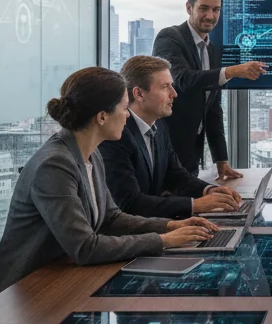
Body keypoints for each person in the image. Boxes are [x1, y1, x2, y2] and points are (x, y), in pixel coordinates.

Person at [0, 67, 221, 296]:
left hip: (61, 278)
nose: (128, 115)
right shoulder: (54, 165)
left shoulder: (90, 153)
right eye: (125, 108)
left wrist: (170, 226)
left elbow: (111, 217)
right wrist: (161, 241)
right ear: (102, 117)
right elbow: (84, 248)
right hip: (21, 293)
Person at [99, 55, 242, 219]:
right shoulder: (116, 135)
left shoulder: (159, 125)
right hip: (129, 235)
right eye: (165, 87)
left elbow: (175, 174)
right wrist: (195, 205)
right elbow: (129, 203)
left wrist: (209, 190)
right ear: (139, 94)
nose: (174, 94)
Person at [153, 0, 268, 178]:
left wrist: (221, 161)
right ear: (189, 8)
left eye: (216, 10)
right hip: (166, 147)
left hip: (192, 152)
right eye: (204, 8)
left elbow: (213, 109)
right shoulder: (170, 38)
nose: (210, 16)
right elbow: (183, 80)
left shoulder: (213, 51)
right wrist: (231, 71)